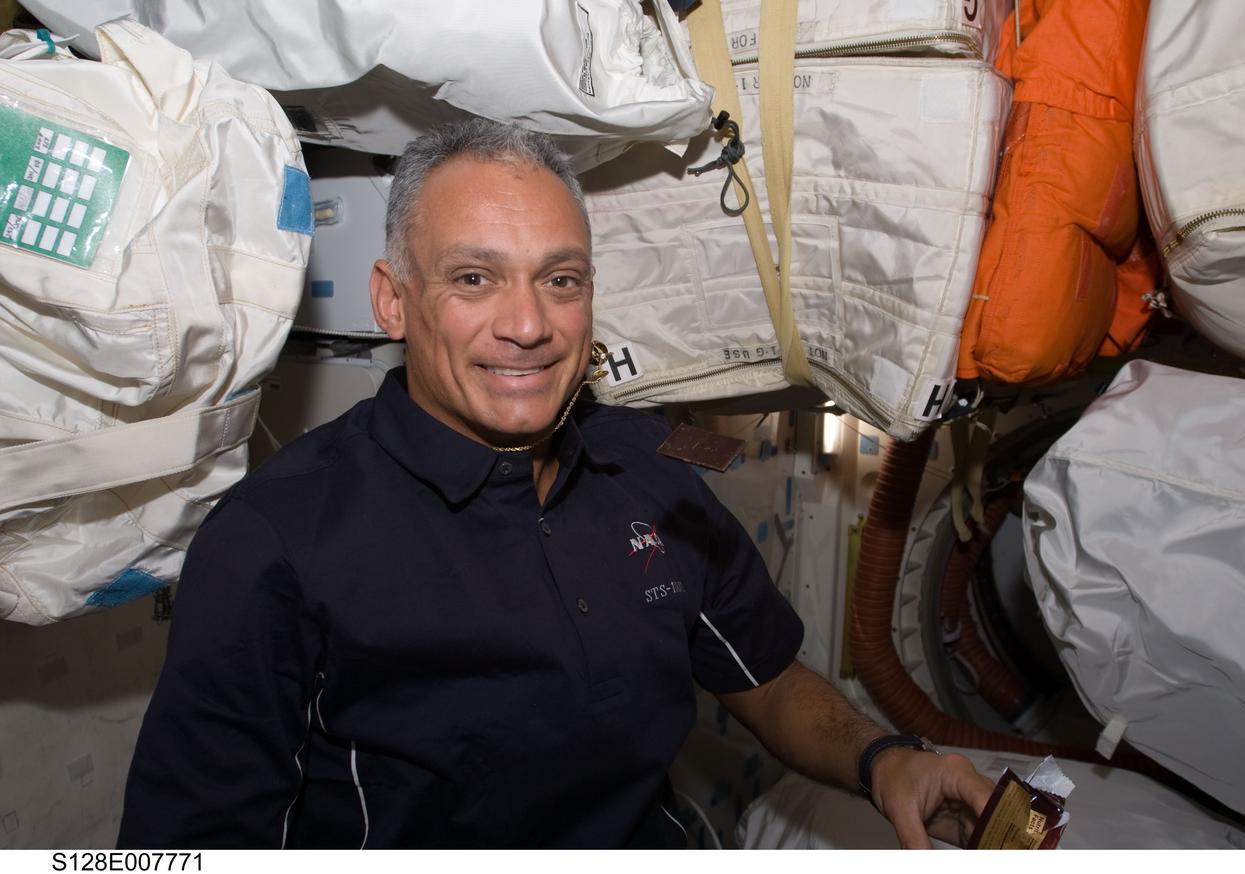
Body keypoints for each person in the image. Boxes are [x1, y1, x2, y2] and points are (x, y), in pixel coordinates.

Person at [118, 119, 993, 849]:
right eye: (474, 278)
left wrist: (887, 762)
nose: (530, 324)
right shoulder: (276, 541)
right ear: (392, 300)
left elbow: (762, 678)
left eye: (560, 280)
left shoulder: (652, 467)